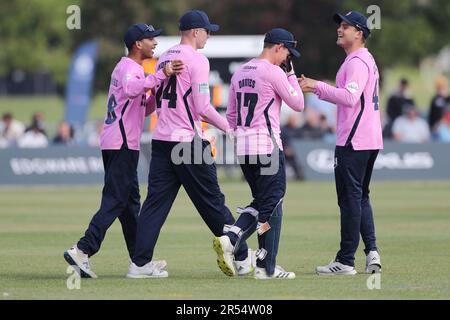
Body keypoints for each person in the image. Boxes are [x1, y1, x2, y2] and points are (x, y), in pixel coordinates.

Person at [128, 10, 252, 278]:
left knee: (155, 205)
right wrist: (229, 128)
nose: (209, 36)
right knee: (212, 202)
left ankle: (139, 264)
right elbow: (203, 107)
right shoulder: (198, 60)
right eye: (208, 31)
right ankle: (241, 256)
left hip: (162, 141)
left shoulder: (164, 57)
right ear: (195, 32)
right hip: (187, 142)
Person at [63, 23, 183, 278]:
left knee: (130, 206)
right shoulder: (128, 68)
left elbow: (142, 106)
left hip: (121, 141)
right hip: (121, 142)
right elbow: (130, 89)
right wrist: (161, 74)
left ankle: (140, 262)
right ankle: (82, 250)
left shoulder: (134, 69)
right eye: (151, 39)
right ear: (138, 44)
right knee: (117, 199)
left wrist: (158, 92)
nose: (155, 43)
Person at [213, 28, 304, 279]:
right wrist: (292, 75)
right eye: (287, 52)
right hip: (266, 146)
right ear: (277, 47)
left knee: (262, 202)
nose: (287, 58)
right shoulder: (273, 71)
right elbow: (298, 104)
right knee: (273, 204)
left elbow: (230, 116)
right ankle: (266, 268)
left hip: (243, 148)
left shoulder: (240, 71)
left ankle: (232, 237)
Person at [300, 11, 382, 275]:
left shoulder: (357, 60)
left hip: (354, 140)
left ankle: (346, 260)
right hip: (367, 138)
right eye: (340, 25)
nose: (340, 29)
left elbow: (349, 97)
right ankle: (372, 253)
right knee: (360, 198)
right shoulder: (362, 58)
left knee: (349, 199)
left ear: (359, 33)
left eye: (346, 26)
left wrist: (316, 86)